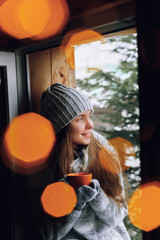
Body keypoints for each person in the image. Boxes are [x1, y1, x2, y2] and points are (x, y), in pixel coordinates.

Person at [38, 83, 131, 240]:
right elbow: (49, 235)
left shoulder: (103, 148)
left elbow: (118, 215)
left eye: (90, 116)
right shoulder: (45, 165)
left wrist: (97, 196)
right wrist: (75, 203)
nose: (91, 124)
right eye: (80, 119)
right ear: (62, 126)